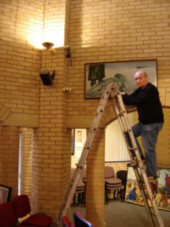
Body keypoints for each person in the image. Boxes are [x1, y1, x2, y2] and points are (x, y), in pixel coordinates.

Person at [122, 70, 164, 184]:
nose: (137, 81)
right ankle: (139, 157)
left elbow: (137, 101)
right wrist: (122, 95)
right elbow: (131, 98)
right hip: (144, 123)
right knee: (128, 133)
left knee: (149, 149)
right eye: (135, 79)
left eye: (139, 78)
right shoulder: (140, 90)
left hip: (152, 123)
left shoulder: (150, 89)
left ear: (146, 78)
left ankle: (152, 175)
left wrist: (125, 96)